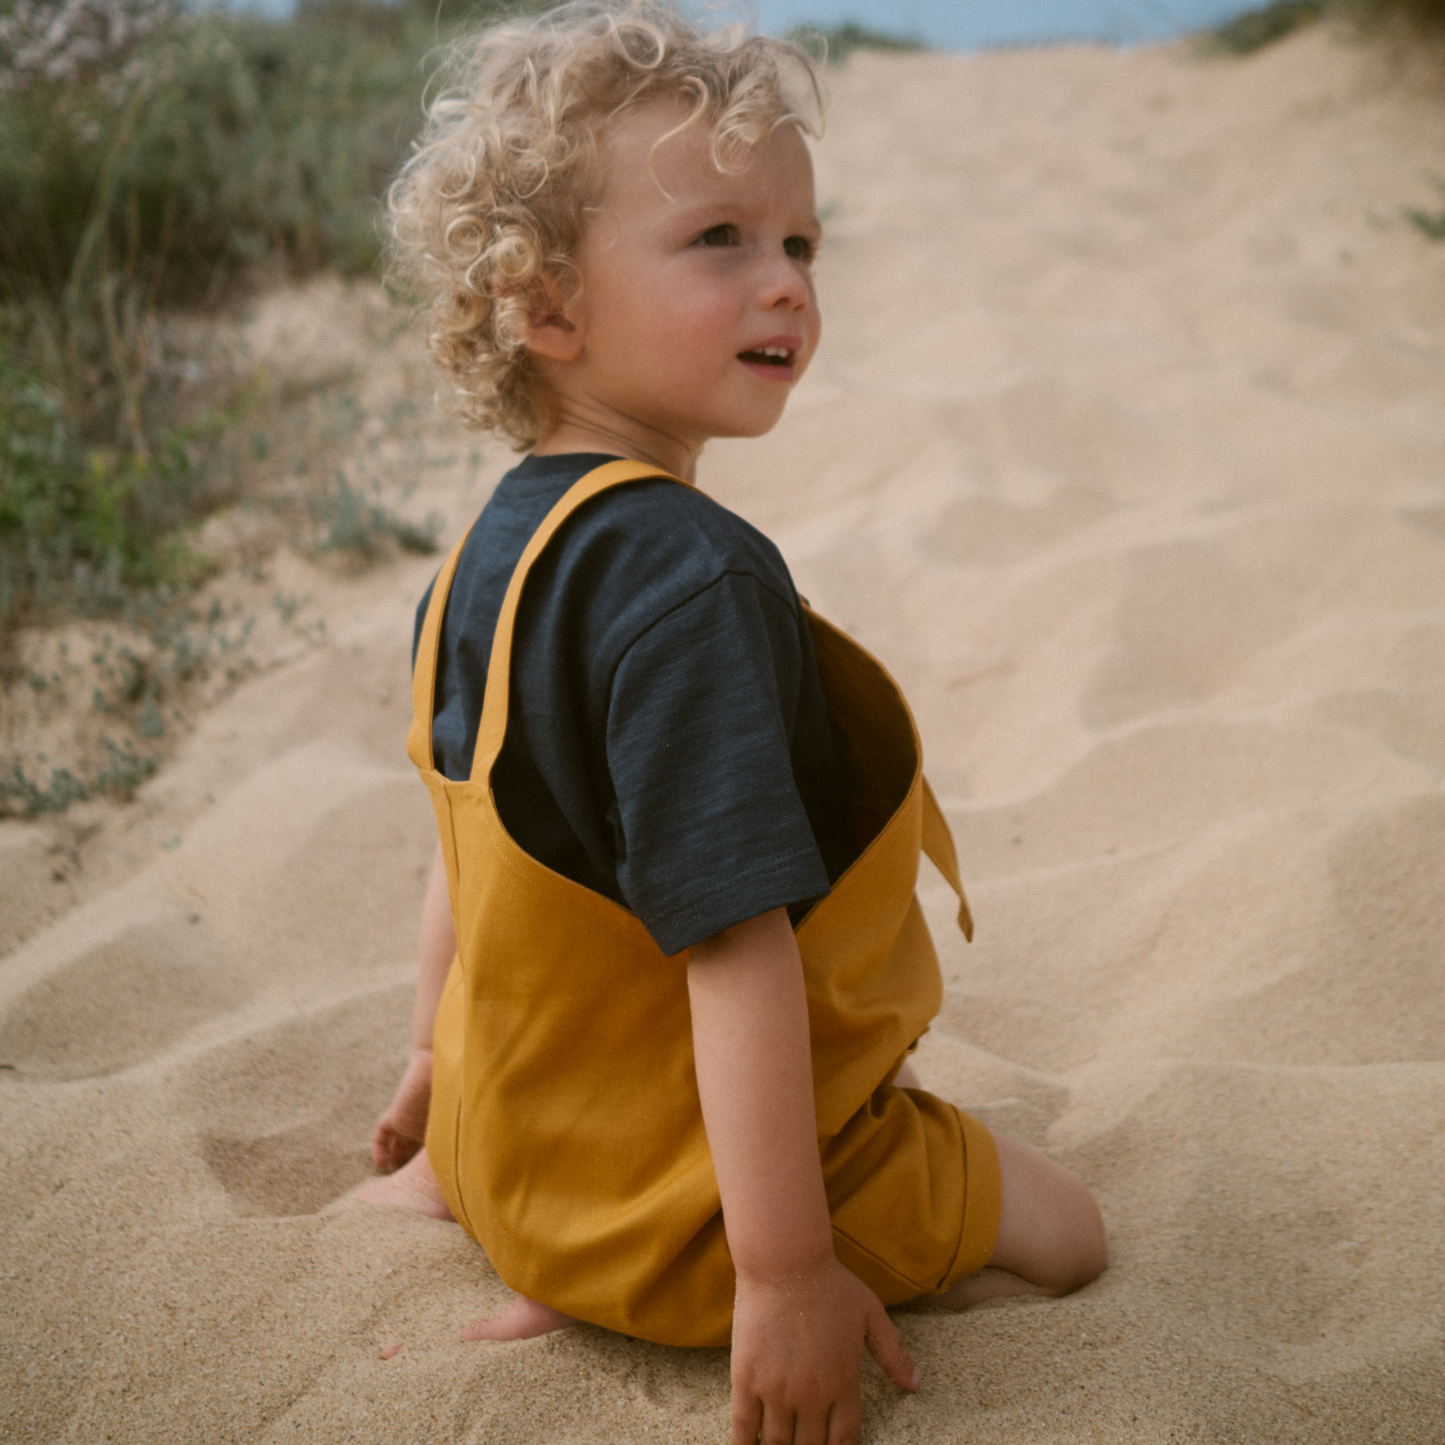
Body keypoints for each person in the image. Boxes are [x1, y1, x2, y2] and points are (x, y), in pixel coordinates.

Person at [357, 4, 1106, 1440]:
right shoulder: (691, 580)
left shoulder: (483, 558)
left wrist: (434, 1078)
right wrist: (785, 1272)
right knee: (1072, 1235)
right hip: (671, 1216)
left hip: (510, 1162)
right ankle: (748, 1282)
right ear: (547, 306)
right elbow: (733, 941)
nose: (786, 288)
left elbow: (467, 854)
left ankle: (530, 1225)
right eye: (720, 242)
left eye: (801, 244)